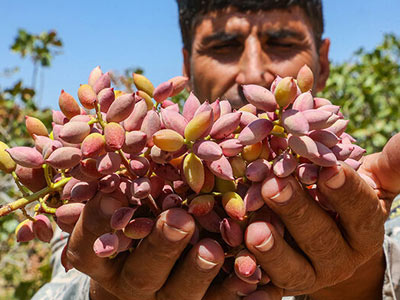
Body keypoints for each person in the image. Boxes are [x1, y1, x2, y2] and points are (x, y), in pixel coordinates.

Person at [32, 1, 400, 299]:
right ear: (185, 65)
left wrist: (360, 278)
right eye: (224, 47)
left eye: (284, 44)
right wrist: (105, 292)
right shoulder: (104, 194)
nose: (253, 73)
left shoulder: (365, 190)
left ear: (323, 60)